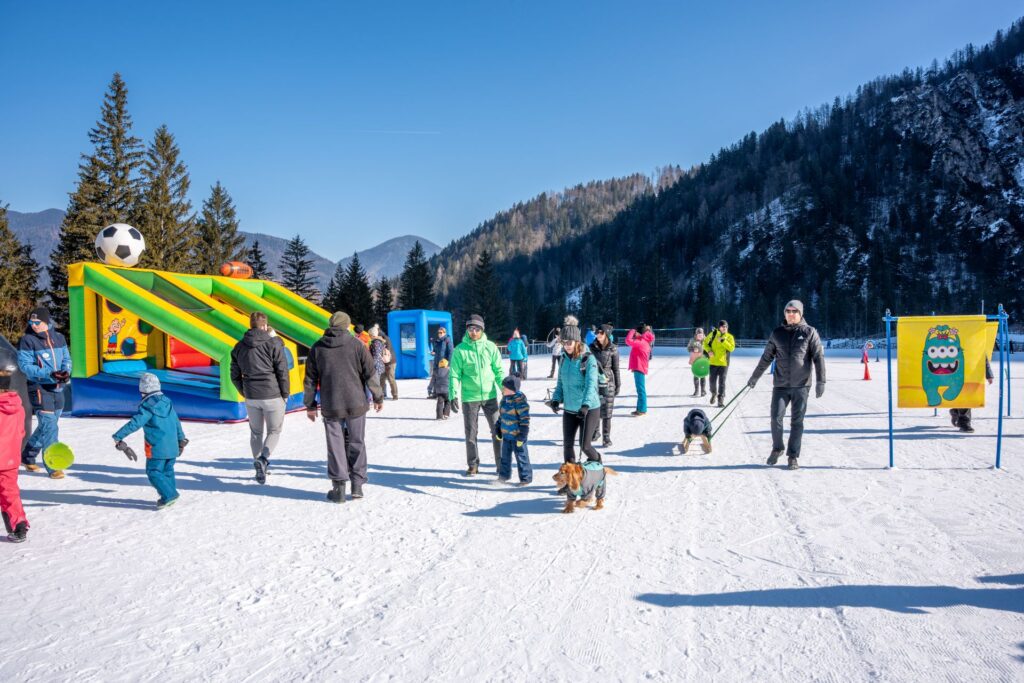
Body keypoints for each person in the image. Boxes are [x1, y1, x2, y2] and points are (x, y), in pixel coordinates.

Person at [304, 311, 384, 503]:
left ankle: (339, 488)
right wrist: (378, 396)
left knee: (335, 445)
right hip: (356, 402)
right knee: (357, 442)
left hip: (331, 404)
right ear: (347, 326)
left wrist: (310, 405)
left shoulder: (317, 348)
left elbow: (310, 380)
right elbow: (370, 373)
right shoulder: (357, 345)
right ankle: (357, 485)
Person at [746, 300, 826, 470]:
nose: (790, 314)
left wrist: (821, 381)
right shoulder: (777, 333)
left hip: (801, 385)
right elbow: (766, 357)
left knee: (797, 422)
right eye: (788, 311)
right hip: (781, 385)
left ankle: (793, 456)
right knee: (775, 418)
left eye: (794, 311)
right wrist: (754, 377)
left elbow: (818, 357)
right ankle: (777, 448)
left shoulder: (809, 332)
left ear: (800, 313)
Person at [230, 311, 290, 485]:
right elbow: (282, 370)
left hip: (251, 394)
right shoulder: (273, 343)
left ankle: (258, 464)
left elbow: (234, 375)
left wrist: (244, 391)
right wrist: (285, 394)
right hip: (272, 394)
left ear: (251, 325)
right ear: (265, 326)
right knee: (274, 431)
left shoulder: (238, 347)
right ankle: (263, 459)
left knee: (256, 432)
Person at [112, 373, 188, 509]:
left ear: (143, 389)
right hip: (172, 445)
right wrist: (181, 439)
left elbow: (135, 423)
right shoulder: (167, 402)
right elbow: (176, 421)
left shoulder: (147, 406)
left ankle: (169, 495)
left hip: (157, 447)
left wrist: (118, 436)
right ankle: (169, 495)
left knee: (153, 471)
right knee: (168, 470)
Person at [17, 307, 71, 478]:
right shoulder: (28, 340)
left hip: (58, 388)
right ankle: (53, 466)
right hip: (39, 387)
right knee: (50, 426)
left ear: (47, 322)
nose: (33, 325)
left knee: (47, 425)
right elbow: (25, 366)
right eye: (31, 322)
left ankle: (28, 456)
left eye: (37, 322)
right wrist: (48, 374)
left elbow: (67, 359)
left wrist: (65, 372)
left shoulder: (59, 337)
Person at [448, 314, 503, 476]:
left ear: (482, 330)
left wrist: (505, 390)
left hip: (490, 396)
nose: (474, 332)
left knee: (498, 432)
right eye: (471, 329)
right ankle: (473, 464)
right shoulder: (460, 350)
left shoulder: (490, 347)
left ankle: (501, 464)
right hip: (469, 398)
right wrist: (453, 394)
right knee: (471, 434)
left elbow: (498, 371)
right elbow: (454, 375)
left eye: (477, 329)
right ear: (467, 330)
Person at [550, 317, 602, 464]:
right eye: (564, 342)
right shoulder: (563, 359)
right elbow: (560, 382)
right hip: (570, 409)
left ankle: (598, 465)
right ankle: (570, 475)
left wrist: (585, 405)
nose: (566, 346)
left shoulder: (588, 359)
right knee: (567, 446)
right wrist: (556, 399)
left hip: (589, 409)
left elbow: (591, 385)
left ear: (577, 341)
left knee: (585, 446)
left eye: (569, 342)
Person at [0, 356, 29, 542]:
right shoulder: (17, 406)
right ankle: (19, 526)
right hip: (10, 459)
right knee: (9, 493)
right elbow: (22, 432)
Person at [493, 375, 532, 485]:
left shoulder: (519, 401)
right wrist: (498, 429)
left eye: (504, 387)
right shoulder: (504, 399)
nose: (502, 389)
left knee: (521, 457)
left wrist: (522, 435)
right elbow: (501, 416)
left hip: (517, 436)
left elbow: (525, 420)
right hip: (506, 435)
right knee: (505, 458)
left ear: (511, 389)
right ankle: (504, 476)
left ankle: (526, 478)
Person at [589, 323, 621, 446]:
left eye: (601, 332)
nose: (598, 334)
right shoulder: (591, 347)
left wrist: (618, 384)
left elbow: (616, 369)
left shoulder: (613, 349)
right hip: (594, 380)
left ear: (606, 334)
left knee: (607, 410)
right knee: (595, 408)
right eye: (597, 332)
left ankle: (606, 437)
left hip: (608, 381)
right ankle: (596, 432)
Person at [950, 358, 995, 433]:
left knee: (966, 398)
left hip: (971, 374)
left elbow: (982, 356)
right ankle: (960, 417)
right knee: (960, 397)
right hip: (954, 373)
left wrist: (989, 375)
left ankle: (960, 417)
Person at [703, 320, 736, 408]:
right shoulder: (713, 334)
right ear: (719, 327)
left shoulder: (729, 337)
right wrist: (709, 351)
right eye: (722, 326)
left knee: (722, 383)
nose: (724, 328)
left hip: (724, 363)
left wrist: (723, 341)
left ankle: (720, 400)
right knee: (712, 382)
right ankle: (714, 393)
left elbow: (732, 348)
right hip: (713, 362)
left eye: (726, 326)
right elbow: (705, 343)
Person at [625, 323, 654, 416]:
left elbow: (628, 341)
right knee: (640, 389)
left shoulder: (641, 342)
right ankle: (640, 408)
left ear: (640, 333)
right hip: (639, 367)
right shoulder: (643, 341)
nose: (635, 334)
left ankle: (642, 409)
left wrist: (632, 331)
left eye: (636, 332)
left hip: (639, 368)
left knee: (640, 389)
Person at [428, 326, 454, 397]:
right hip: (437, 362)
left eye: (441, 332)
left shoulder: (447, 340)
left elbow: (451, 352)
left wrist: (449, 364)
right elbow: (435, 351)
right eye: (439, 333)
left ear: (444, 333)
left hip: (444, 364)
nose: (439, 334)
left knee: (443, 379)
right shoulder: (438, 341)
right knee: (435, 377)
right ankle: (435, 393)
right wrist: (433, 352)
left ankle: (445, 393)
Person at [376, 325, 399, 400]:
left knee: (391, 379)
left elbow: (387, 351)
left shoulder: (386, 338)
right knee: (382, 379)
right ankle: (382, 395)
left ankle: (395, 395)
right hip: (383, 362)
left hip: (390, 362)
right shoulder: (378, 339)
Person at [687, 328, 708, 397]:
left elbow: (710, 348)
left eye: (701, 334)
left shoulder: (706, 340)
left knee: (703, 375)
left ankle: (703, 391)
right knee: (696, 375)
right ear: (696, 334)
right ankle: (696, 391)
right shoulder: (692, 340)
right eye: (698, 334)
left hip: (703, 360)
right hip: (695, 360)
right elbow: (688, 348)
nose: (699, 336)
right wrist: (693, 349)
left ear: (703, 334)